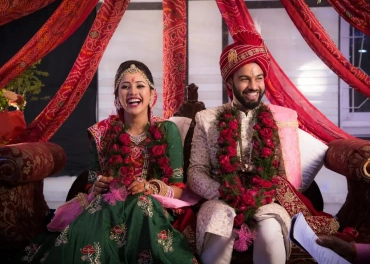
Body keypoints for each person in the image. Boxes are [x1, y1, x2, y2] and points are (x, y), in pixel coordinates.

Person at [19, 60, 198, 264]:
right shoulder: (101, 132)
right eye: (125, 86)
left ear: (151, 93)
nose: (133, 92)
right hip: (109, 209)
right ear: (116, 95)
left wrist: (149, 186)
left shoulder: (167, 130)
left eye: (140, 85)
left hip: (154, 209)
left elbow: (178, 189)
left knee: (140, 202)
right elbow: (91, 187)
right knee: (108, 204)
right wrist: (98, 186)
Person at [187, 32, 339, 264]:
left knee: (269, 229)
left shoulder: (280, 121)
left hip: (266, 200)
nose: (253, 86)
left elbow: (283, 174)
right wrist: (225, 193)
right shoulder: (207, 119)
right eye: (244, 79)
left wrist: (260, 195)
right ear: (229, 81)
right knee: (221, 222)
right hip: (220, 198)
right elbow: (196, 172)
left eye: (259, 78)